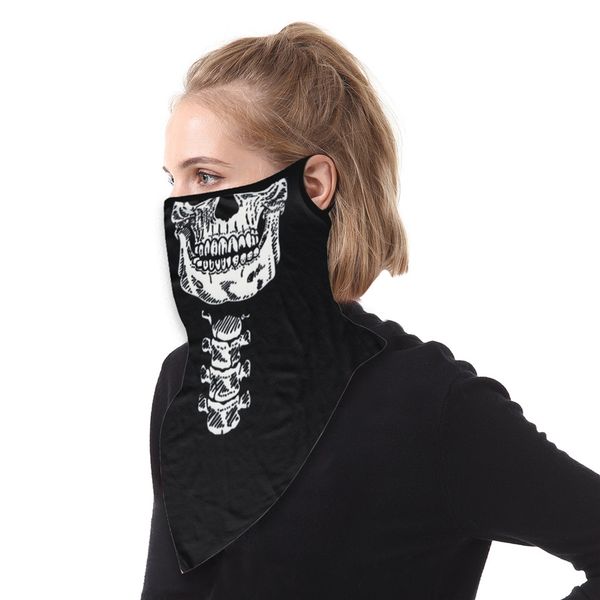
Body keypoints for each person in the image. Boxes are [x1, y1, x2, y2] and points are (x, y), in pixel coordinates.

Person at [140, 22, 600, 600]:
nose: (178, 210)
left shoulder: (430, 404)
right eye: (174, 180)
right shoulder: (185, 378)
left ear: (313, 184)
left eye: (206, 175)